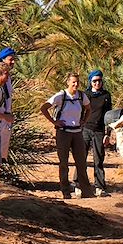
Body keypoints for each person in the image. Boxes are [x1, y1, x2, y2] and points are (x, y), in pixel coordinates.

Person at [40, 72, 94, 199]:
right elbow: (44, 108)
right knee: (63, 163)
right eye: (73, 82)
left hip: (77, 133)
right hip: (63, 132)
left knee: (81, 163)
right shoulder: (61, 96)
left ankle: (86, 191)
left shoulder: (82, 96)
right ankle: (65, 191)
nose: (76, 84)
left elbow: (89, 109)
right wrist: (54, 122)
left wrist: (84, 121)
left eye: (77, 82)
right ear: (68, 82)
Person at [78, 69, 113, 197]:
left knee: (98, 160)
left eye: (99, 81)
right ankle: (78, 184)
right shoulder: (85, 95)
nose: (97, 83)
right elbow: (80, 112)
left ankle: (100, 187)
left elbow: (108, 115)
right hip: (85, 130)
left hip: (99, 131)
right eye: (95, 81)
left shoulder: (106, 96)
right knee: (81, 158)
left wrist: (107, 134)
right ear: (90, 82)